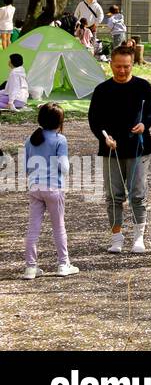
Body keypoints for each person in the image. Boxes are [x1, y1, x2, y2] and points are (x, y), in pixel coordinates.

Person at [88, 45, 151, 254]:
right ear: (110, 65)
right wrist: (104, 137)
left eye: (126, 67)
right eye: (118, 66)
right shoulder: (102, 90)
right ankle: (116, 237)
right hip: (111, 149)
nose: (122, 71)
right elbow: (94, 119)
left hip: (138, 148)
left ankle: (139, 237)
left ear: (132, 65)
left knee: (138, 195)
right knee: (113, 196)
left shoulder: (143, 87)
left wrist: (145, 125)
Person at [22, 104, 79, 278]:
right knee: (58, 227)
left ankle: (30, 267)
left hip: (35, 188)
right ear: (60, 122)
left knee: (33, 228)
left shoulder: (30, 139)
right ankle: (63, 264)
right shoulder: (60, 139)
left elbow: (26, 167)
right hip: (54, 188)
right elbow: (65, 167)